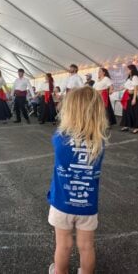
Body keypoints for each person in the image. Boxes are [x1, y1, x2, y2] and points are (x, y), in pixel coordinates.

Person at [48, 86, 108, 274]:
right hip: (87, 204)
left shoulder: (60, 138)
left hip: (61, 203)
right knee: (87, 246)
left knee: (63, 245)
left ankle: (59, 271)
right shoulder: (100, 142)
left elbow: (62, 131)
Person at [120, 64, 138, 134]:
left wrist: (134, 99)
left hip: (132, 96)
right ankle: (126, 125)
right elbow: (125, 87)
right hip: (127, 96)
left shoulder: (135, 77)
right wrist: (115, 90)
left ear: (131, 70)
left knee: (134, 112)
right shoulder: (128, 78)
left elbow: (136, 88)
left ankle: (137, 127)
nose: (126, 70)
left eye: (127, 69)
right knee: (126, 111)